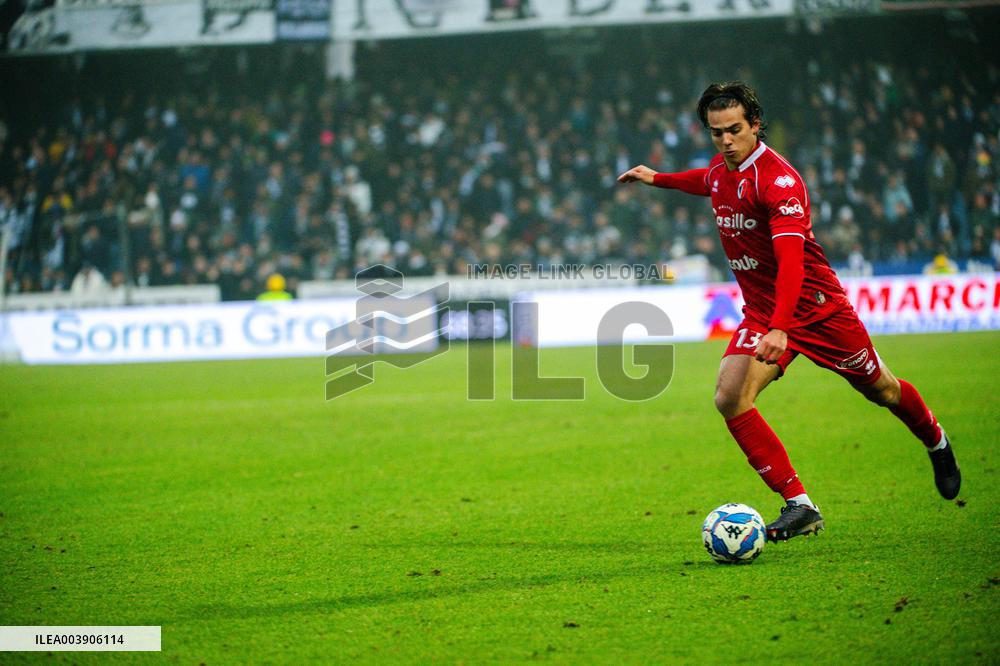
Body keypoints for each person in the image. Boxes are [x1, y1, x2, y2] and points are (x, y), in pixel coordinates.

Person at [617, 81, 961, 542]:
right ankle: (800, 505)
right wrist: (657, 178)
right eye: (716, 132)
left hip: (816, 311)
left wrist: (782, 327)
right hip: (764, 312)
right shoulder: (723, 168)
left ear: (755, 124)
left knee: (882, 389)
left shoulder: (779, 181)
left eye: (734, 130)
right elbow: (708, 180)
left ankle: (936, 441)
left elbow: (792, 262)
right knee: (729, 397)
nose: (725, 140)